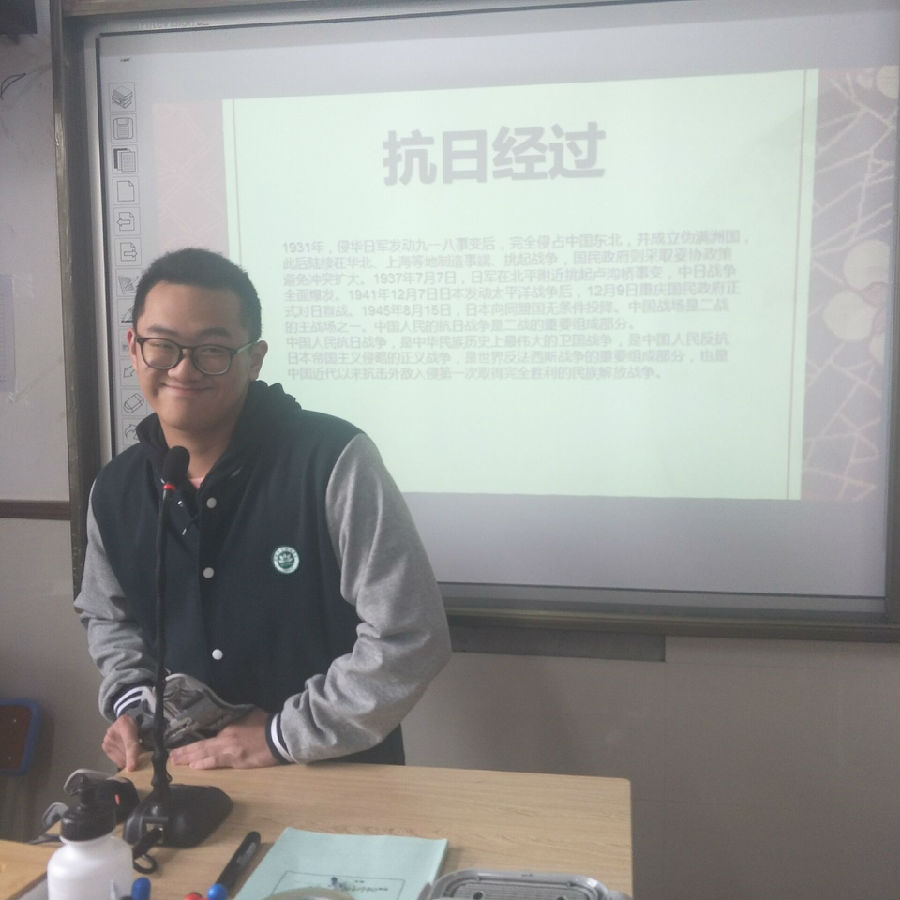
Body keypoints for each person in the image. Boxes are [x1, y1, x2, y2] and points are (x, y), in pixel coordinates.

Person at [75, 247, 451, 771]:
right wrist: (134, 704)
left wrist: (280, 736)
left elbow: (410, 634)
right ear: (134, 348)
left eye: (212, 350)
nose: (183, 369)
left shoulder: (332, 460)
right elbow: (109, 617)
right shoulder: (115, 490)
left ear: (254, 358)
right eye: (163, 346)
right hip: (182, 776)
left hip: (334, 775)